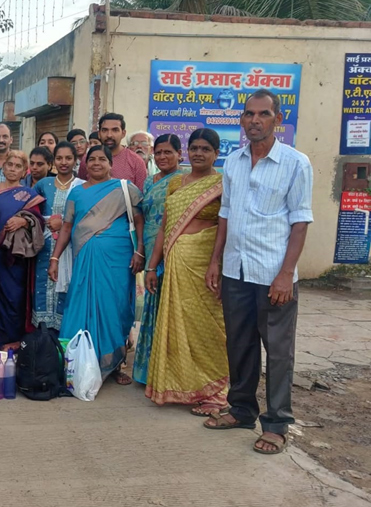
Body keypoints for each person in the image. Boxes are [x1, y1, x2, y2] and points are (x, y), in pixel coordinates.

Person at [203, 90, 313, 455]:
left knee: (278, 351)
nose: (255, 120)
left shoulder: (296, 163)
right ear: (242, 119)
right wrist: (216, 261)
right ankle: (241, 410)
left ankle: (277, 424)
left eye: (263, 114)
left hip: (272, 274)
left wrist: (286, 274)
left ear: (277, 119)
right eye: (249, 114)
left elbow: (300, 222)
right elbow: (225, 215)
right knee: (239, 344)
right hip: (236, 270)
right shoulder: (233, 163)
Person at [143, 129, 229, 414]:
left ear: (216, 154)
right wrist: (152, 265)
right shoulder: (176, 183)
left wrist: (216, 262)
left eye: (205, 149)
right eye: (194, 148)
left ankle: (216, 391)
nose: (199, 154)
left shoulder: (222, 183)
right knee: (178, 325)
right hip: (175, 263)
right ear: (187, 152)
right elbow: (164, 228)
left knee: (208, 326)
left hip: (205, 264)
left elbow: (226, 225)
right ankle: (185, 386)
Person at [49, 145, 144, 385]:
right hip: (85, 259)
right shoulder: (76, 193)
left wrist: (140, 251)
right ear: (85, 164)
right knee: (81, 305)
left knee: (116, 308)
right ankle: (77, 365)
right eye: (92, 159)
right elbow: (67, 227)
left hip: (119, 259)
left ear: (111, 164)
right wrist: (55, 258)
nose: (97, 163)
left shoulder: (125, 189)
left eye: (102, 159)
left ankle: (114, 365)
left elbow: (139, 222)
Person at [132, 134, 183, 384]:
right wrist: (141, 249)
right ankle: (150, 371)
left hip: (173, 251)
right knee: (151, 309)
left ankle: (170, 373)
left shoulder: (184, 180)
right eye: (159, 152)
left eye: (168, 152)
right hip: (151, 249)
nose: (162, 157)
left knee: (170, 311)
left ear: (179, 155)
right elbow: (141, 217)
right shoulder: (149, 181)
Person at [0, 150, 44, 350]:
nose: (13, 169)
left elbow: (38, 220)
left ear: (24, 171)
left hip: (14, 258)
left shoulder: (29, 195)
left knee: (14, 299)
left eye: (18, 166)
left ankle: (12, 344)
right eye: (10, 165)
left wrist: (23, 220)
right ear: (3, 166)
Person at [33, 141, 83, 331]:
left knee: (68, 287)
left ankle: (64, 333)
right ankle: (43, 333)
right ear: (53, 161)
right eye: (59, 158)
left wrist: (63, 223)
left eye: (68, 158)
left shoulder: (82, 186)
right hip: (45, 246)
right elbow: (32, 212)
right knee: (42, 285)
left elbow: (87, 218)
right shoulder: (43, 184)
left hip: (71, 246)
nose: (64, 162)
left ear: (75, 160)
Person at [78, 114, 147, 190]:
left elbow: (140, 194)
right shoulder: (88, 160)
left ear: (123, 133)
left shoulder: (136, 162)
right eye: (105, 130)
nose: (109, 135)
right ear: (99, 134)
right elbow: (82, 189)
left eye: (115, 130)